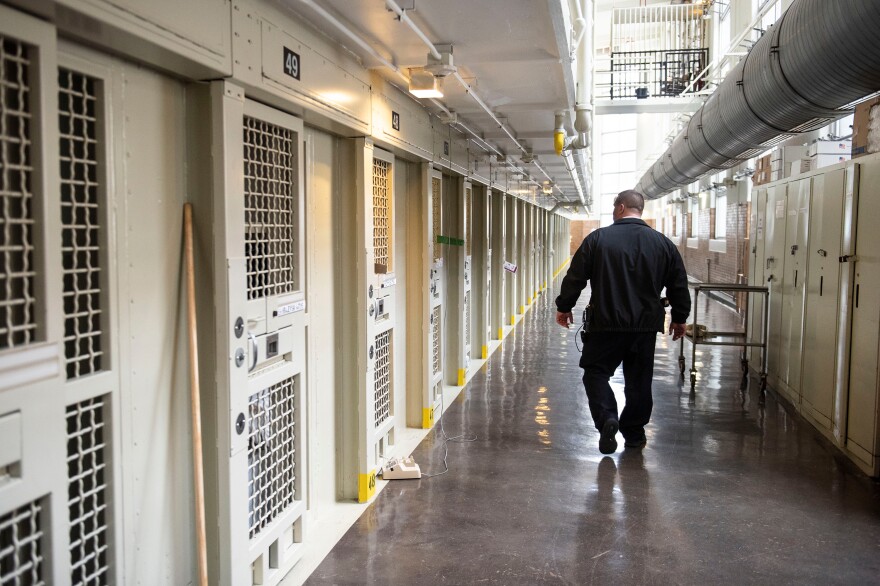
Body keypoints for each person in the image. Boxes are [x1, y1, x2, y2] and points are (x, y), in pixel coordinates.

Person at [555, 190, 690, 454]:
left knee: (595, 373)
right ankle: (635, 434)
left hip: (605, 324)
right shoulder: (663, 244)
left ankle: (607, 418)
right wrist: (680, 318)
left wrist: (564, 306)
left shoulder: (598, 239)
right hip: (644, 328)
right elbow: (678, 284)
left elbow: (575, 276)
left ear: (620, 208)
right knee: (639, 381)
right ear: (639, 210)